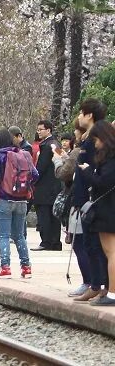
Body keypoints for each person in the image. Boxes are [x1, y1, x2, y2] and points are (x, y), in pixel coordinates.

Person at [0, 127, 39, 278]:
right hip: (22, 200)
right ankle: (26, 267)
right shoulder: (24, 154)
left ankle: (5, 266)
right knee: (19, 235)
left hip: (4, 199)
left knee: (3, 235)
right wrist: (24, 187)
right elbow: (35, 175)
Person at [77, 119, 115, 306]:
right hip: (108, 209)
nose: (96, 144)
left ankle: (113, 294)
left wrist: (87, 172)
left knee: (111, 252)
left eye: (97, 140)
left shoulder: (111, 158)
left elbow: (102, 182)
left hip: (108, 210)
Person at [32, 120, 63, 251]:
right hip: (56, 184)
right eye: (38, 129)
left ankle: (46, 241)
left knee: (44, 214)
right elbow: (61, 160)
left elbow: (41, 167)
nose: (38, 132)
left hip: (44, 186)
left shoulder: (46, 145)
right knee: (54, 215)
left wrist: (32, 179)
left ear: (48, 130)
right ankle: (55, 242)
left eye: (41, 129)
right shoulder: (56, 144)